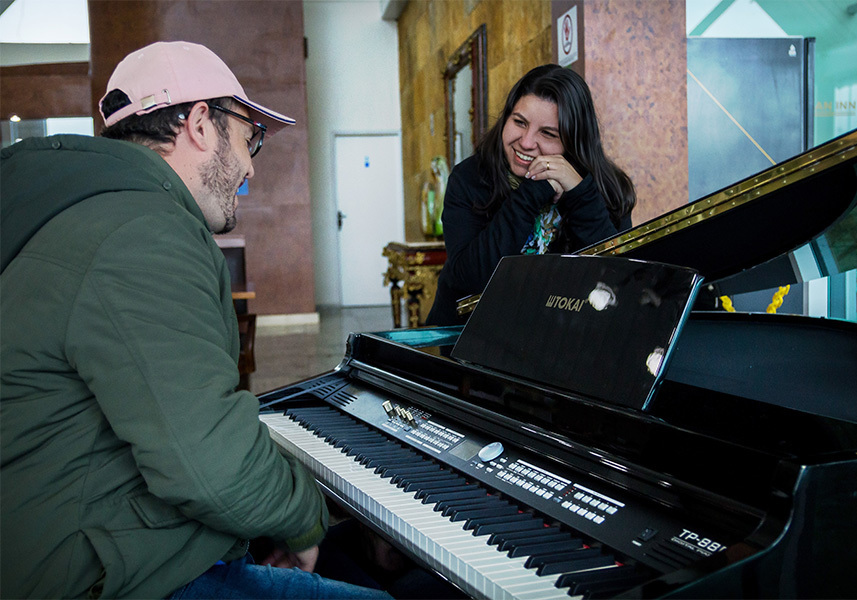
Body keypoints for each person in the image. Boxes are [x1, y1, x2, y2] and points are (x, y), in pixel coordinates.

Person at [0, 41, 390, 600]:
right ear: (201, 125)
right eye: (249, 139)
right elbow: (207, 461)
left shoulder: (88, 213)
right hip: (97, 577)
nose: (250, 165)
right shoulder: (142, 233)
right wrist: (304, 517)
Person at [427, 64, 636, 326]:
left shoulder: (611, 188)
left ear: (574, 140)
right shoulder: (469, 178)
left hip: (562, 338)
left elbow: (616, 282)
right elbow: (470, 279)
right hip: (470, 333)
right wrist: (533, 191)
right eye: (519, 122)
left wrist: (580, 194)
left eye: (547, 133)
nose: (526, 142)